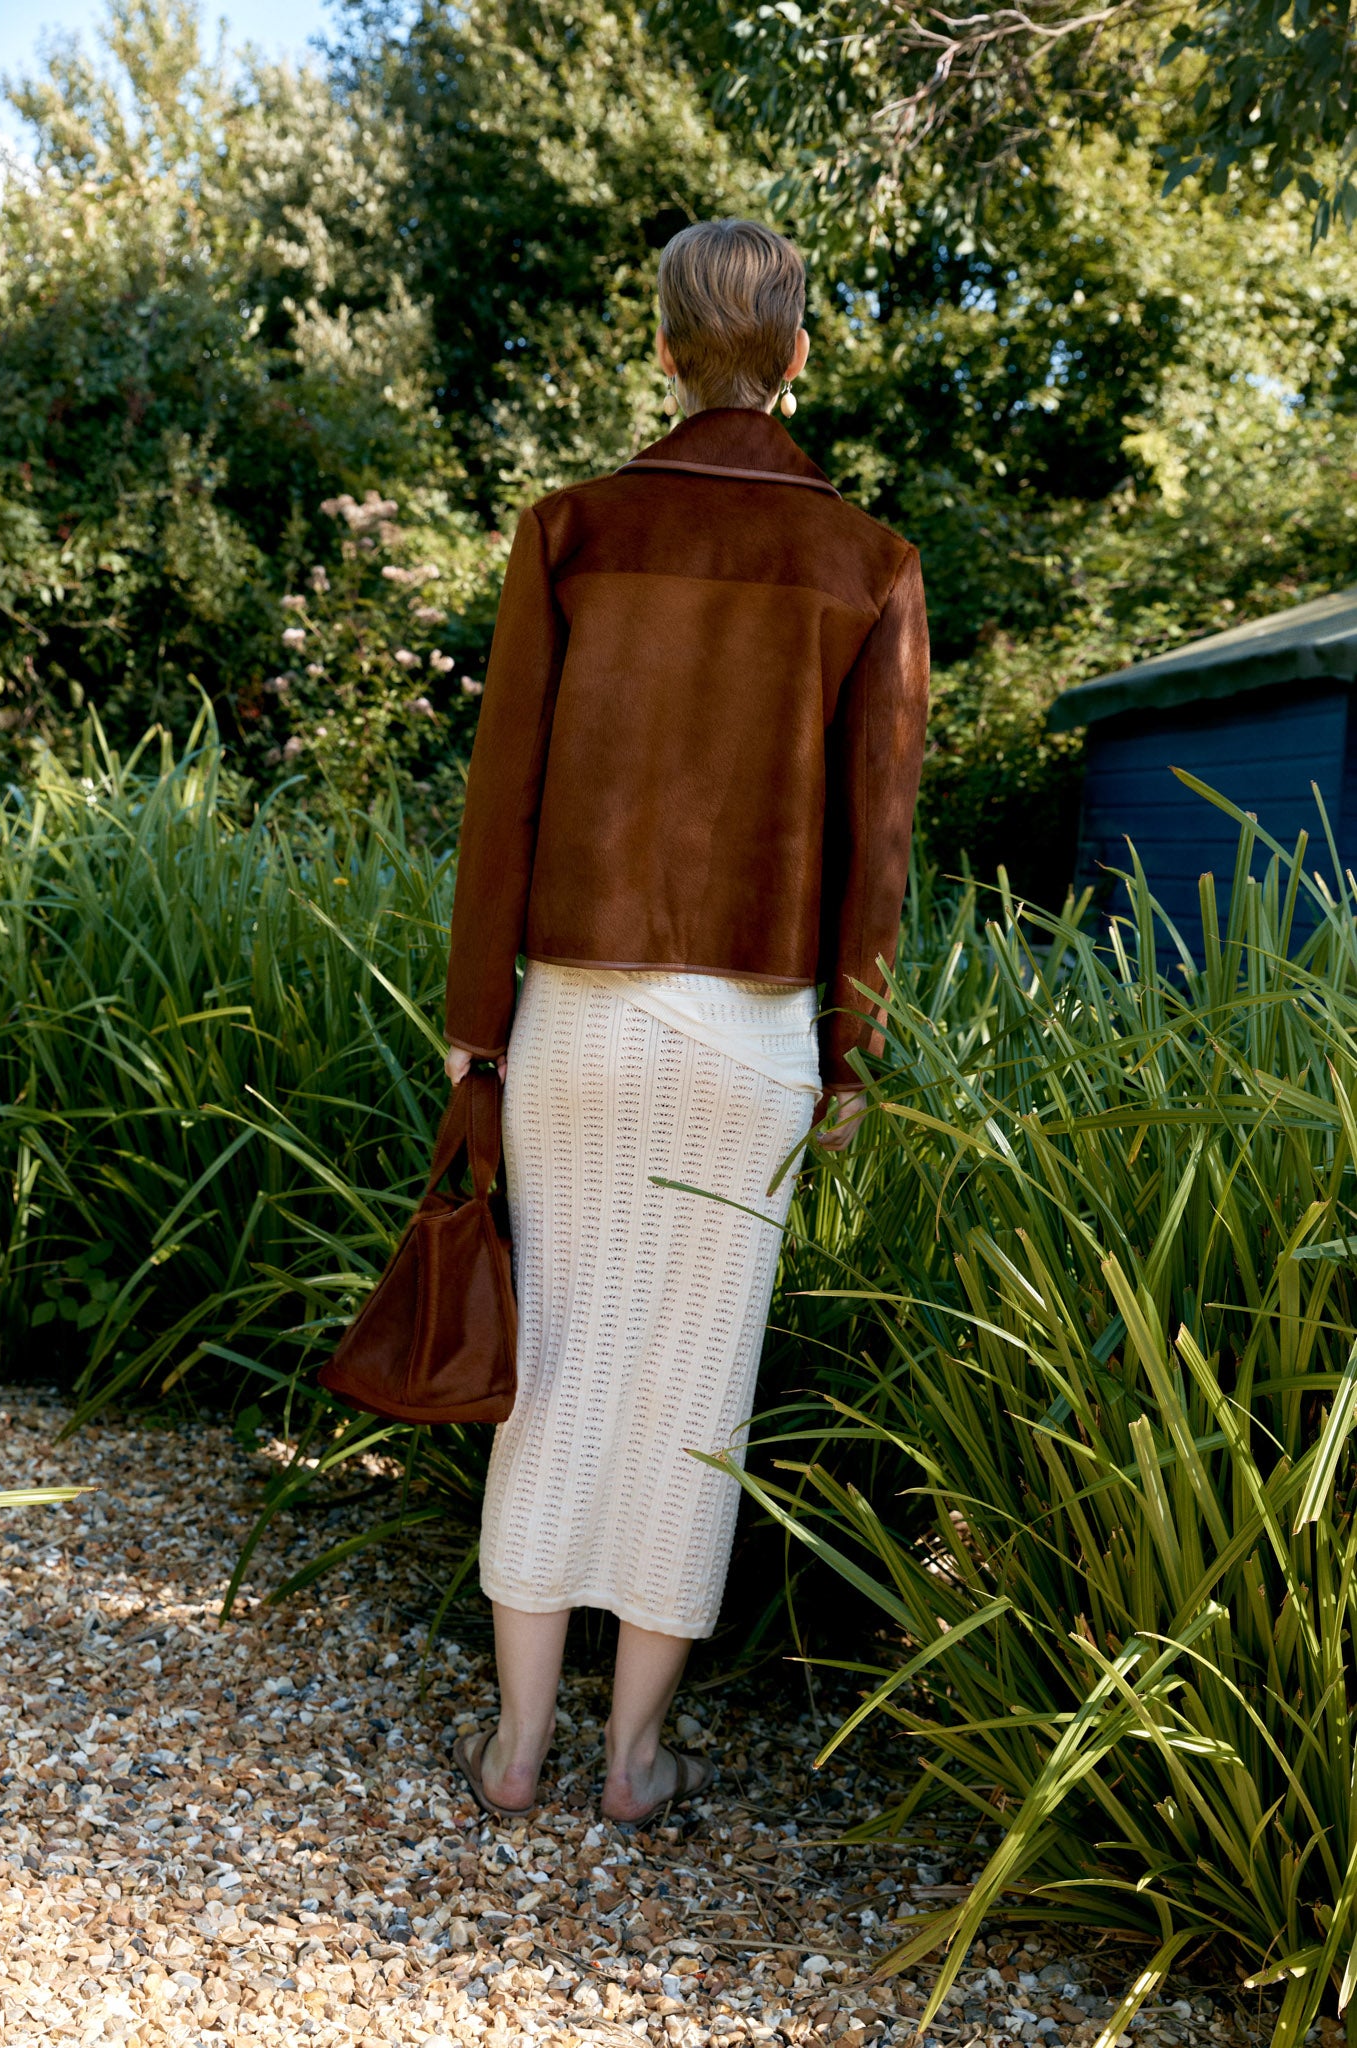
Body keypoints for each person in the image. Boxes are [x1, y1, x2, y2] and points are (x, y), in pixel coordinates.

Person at [441, 218, 929, 1825]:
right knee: (690, 1390)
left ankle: (517, 1746)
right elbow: (875, 844)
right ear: (797, 352)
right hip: (752, 1035)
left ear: (661, 349)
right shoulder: (868, 562)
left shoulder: (568, 530)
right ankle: (632, 1760)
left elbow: (502, 799)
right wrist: (852, 1051)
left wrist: (473, 1023)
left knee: (556, 1371)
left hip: (572, 1025)